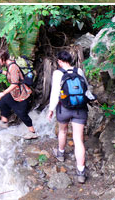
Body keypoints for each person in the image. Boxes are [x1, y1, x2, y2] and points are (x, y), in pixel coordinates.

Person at [48, 49, 97, 184]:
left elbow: (55, 93)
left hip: (64, 109)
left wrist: (51, 109)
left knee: (63, 131)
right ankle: (81, 171)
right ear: (70, 60)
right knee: (78, 139)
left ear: (59, 61)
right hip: (80, 110)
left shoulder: (58, 73)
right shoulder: (79, 71)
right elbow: (86, 90)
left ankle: (61, 153)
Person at [0, 51, 37, 138]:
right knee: (3, 101)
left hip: (22, 94)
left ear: (3, 59)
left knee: (21, 113)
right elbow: (10, 75)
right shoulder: (9, 65)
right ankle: (4, 122)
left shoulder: (13, 67)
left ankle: (32, 132)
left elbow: (14, 83)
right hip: (15, 93)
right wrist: (0, 71)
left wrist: (3, 93)